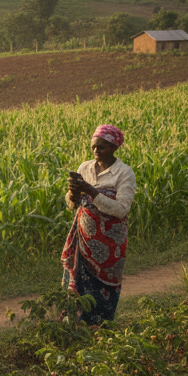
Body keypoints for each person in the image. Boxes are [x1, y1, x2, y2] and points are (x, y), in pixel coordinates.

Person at [63, 124, 136, 326]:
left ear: (114, 148)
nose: (96, 151)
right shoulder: (84, 168)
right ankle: (76, 326)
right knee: (78, 286)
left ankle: (101, 328)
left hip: (110, 244)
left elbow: (121, 209)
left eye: (102, 147)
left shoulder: (124, 173)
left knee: (104, 287)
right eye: (94, 147)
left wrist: (92, 191)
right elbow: (72, 205)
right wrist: (73, 194)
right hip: (84, 239)